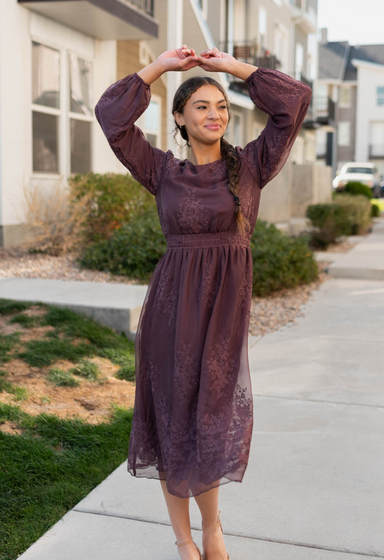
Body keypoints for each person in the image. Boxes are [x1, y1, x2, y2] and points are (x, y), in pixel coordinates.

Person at [94, 44, 312, 560]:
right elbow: (111, 116)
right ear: (179, 117)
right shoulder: (162, 171)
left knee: (210, 419)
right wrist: (163, 68)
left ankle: (212, 529)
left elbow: (293, 102)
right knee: (172, 420)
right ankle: (185, 540)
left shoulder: (252, 166)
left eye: (222, 107)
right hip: (171, 312)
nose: (214, 115)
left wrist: (231, 69)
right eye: (201, 106)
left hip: (223, 316)